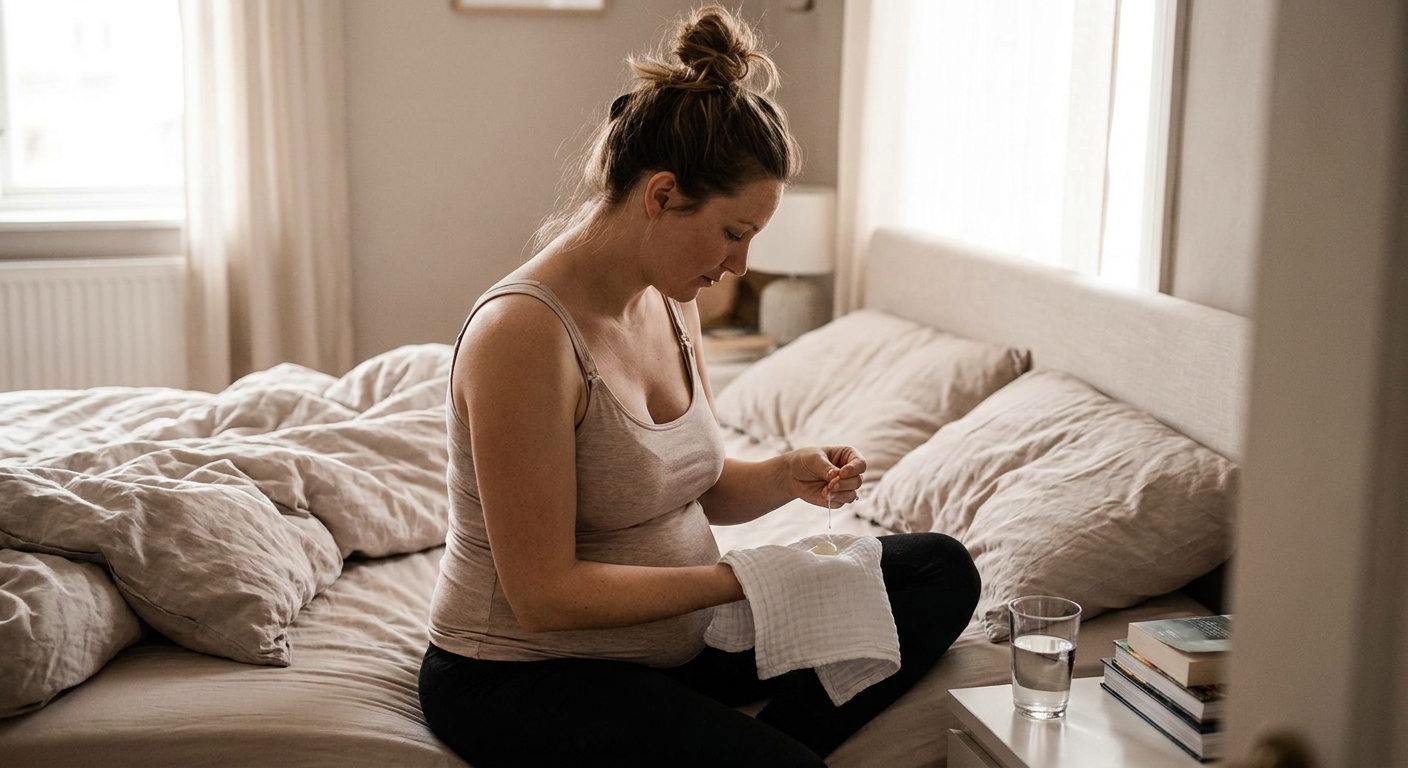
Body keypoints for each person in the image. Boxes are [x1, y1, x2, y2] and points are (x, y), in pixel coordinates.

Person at [418, 7, 980, 767]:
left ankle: (766, 742)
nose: (741, 266)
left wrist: (787, 475)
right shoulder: (524, 335)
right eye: (734, 232)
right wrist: (738, 581)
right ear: (661, 195)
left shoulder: (671, 295)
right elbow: (543, 596)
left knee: (937, 568)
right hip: (526, 673)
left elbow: (702, 487)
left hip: (674, 651)